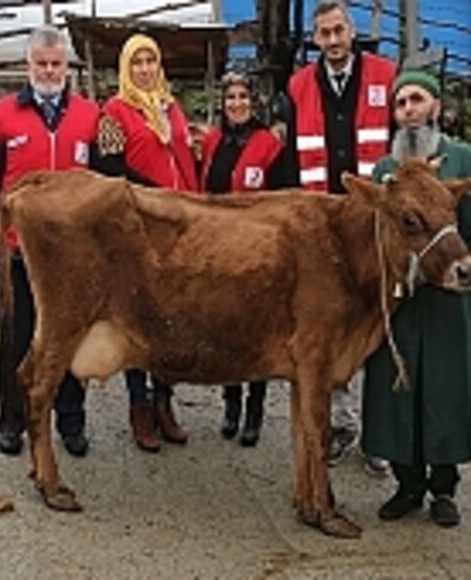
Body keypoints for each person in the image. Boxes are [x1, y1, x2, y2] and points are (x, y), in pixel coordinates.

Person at [362, 69, 471, 527]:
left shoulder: (463, 157)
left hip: (446, 296)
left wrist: (448, 199)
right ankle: (407, 484)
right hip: (401, 299)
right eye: (400, 104)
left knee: (444, 388)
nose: (409, 111)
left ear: (435, 106)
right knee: (399, 387)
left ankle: (443, 488)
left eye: (417, 100)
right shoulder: (385, 169)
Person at [279, 0, 396, 469]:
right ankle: (339, 420)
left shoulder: (386, 77)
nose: (332, 40)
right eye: (323, 33)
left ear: (352, 32)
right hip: (322, 222)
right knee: (329, 319)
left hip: (376, 221)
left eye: (338, 30)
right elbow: (291, 152)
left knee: (377, 317)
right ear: (315, 39)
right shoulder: (299, 84)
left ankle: (381, 436)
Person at [0, 26, 94, 458]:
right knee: (18, 336)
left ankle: (71, 420)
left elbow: (101, 187)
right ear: (28, 66)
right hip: (20, 250)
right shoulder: (3, 115)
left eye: (56, 64)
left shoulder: (88, 116)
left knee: (68, 339)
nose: (48, 71)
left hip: (73, 254)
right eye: (41, 63)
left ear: (66, 66)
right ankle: (12, 421)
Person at [93, 33, 194, 452]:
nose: (146, 69)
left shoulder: (172, 108)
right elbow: (110, 169)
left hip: (182, 227)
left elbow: (186, 157)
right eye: (138, 63)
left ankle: (164, 403)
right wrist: (156, 197)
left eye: (151, 61)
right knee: (139, 317)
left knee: (173, 319)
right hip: (139, 227)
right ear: (126, 68)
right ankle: (139, 406)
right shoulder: (114, 112)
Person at [199, 71, 292, 446]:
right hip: (218, 252)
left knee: (257, 332)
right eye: (230, 97)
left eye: (243, 97)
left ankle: (255, 410)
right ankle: (231, 404)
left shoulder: (269, 144)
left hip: (257, 255)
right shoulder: (214, 141)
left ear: (255, 102)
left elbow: (285, 200)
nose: (236, 103)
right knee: (225, 330)